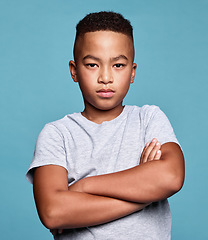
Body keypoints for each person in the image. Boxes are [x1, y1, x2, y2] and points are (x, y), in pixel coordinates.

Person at [26, 11, 185, 240]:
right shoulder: (57, 134)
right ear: (74, 71)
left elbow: (171, 177)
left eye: (118, 65)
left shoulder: (148, 119)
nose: (106, 77)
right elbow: (53, 212)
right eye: (92, 64)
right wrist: (144, 197)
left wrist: (83, 187)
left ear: (132, 72)